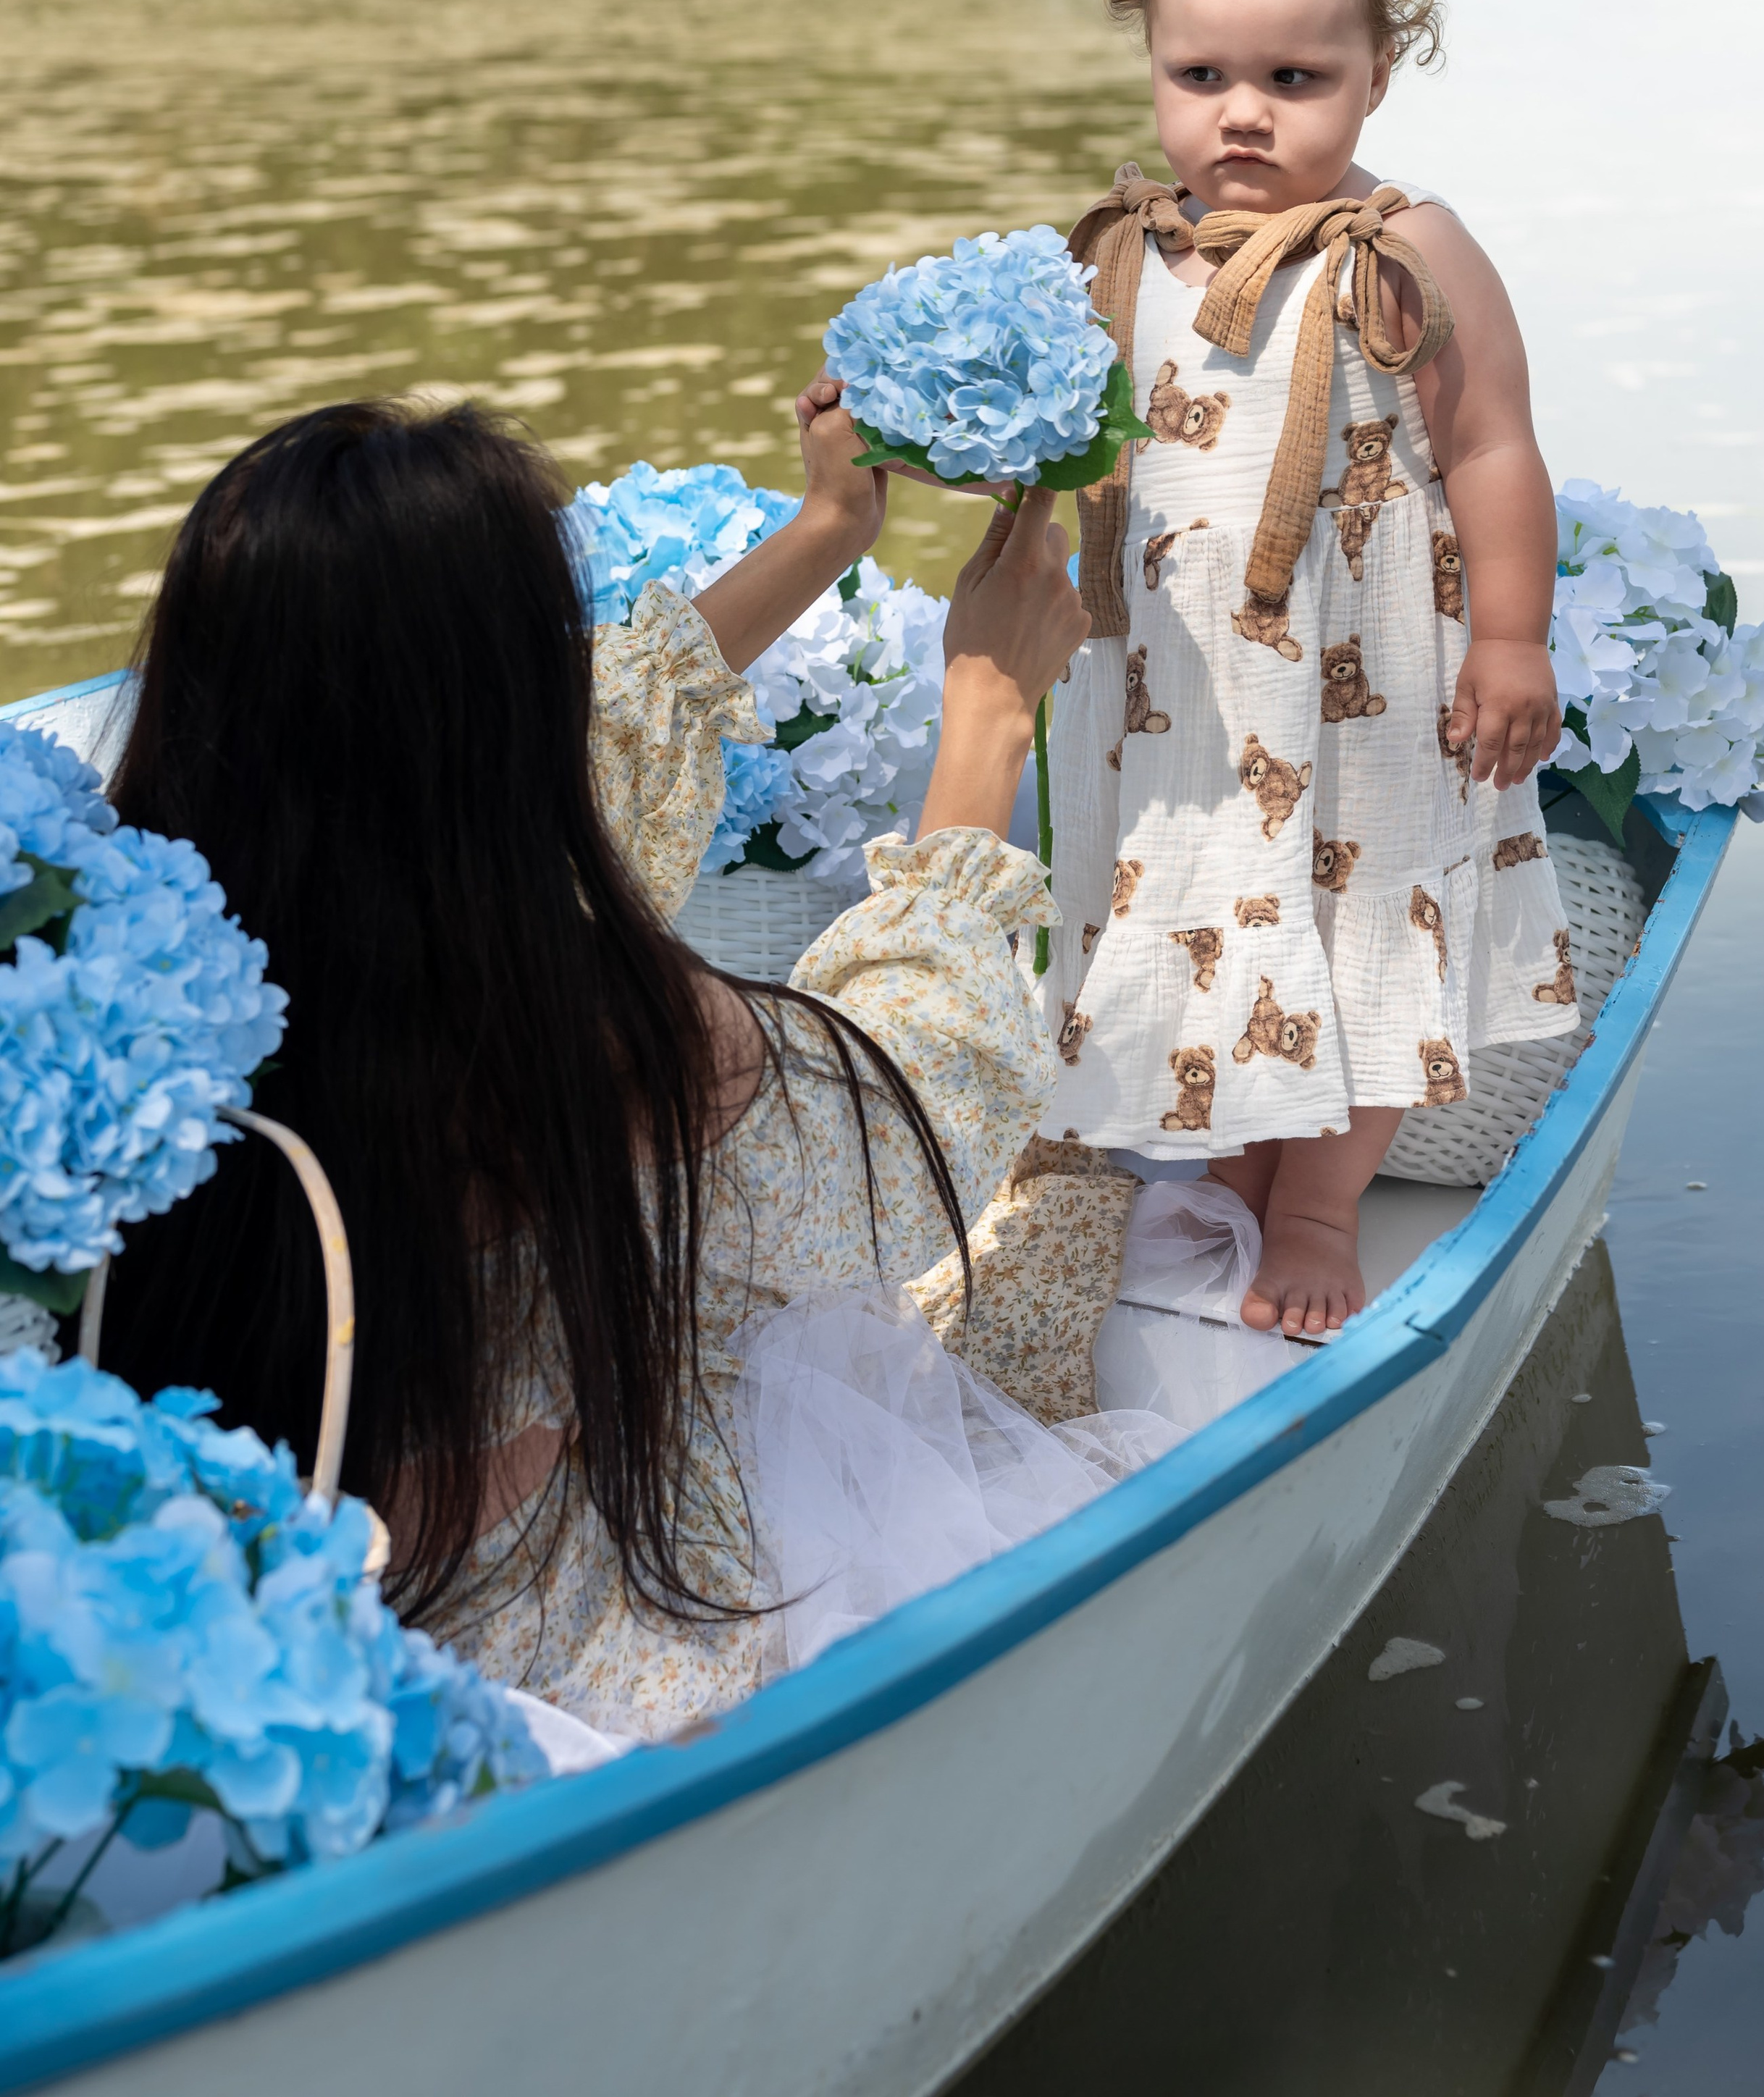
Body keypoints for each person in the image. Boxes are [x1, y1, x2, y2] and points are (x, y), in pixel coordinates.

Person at [98, 387, 1172, 1743]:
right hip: (538, 1647)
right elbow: (909, 1126)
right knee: (1065, 1215)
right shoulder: (580, 1037)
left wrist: (828, 532)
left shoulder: (128, 932)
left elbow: (552, 759)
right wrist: (989, 713)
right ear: (509, 716)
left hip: (238, 1566)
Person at [1034, 0, 1577, 1343]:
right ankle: (1235, 1153)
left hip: (1370, 700)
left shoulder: (1403, 250)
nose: (1242, 113)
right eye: (1199, 71)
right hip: (1184, 700)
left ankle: (1321, 1200)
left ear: (1374, 70)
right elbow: (1046, 434)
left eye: (1293, 75)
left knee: (1364, 924)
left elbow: (1489, 444)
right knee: (1203, 913)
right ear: (1149, 59)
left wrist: (1514, 636)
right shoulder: (1120, 252)